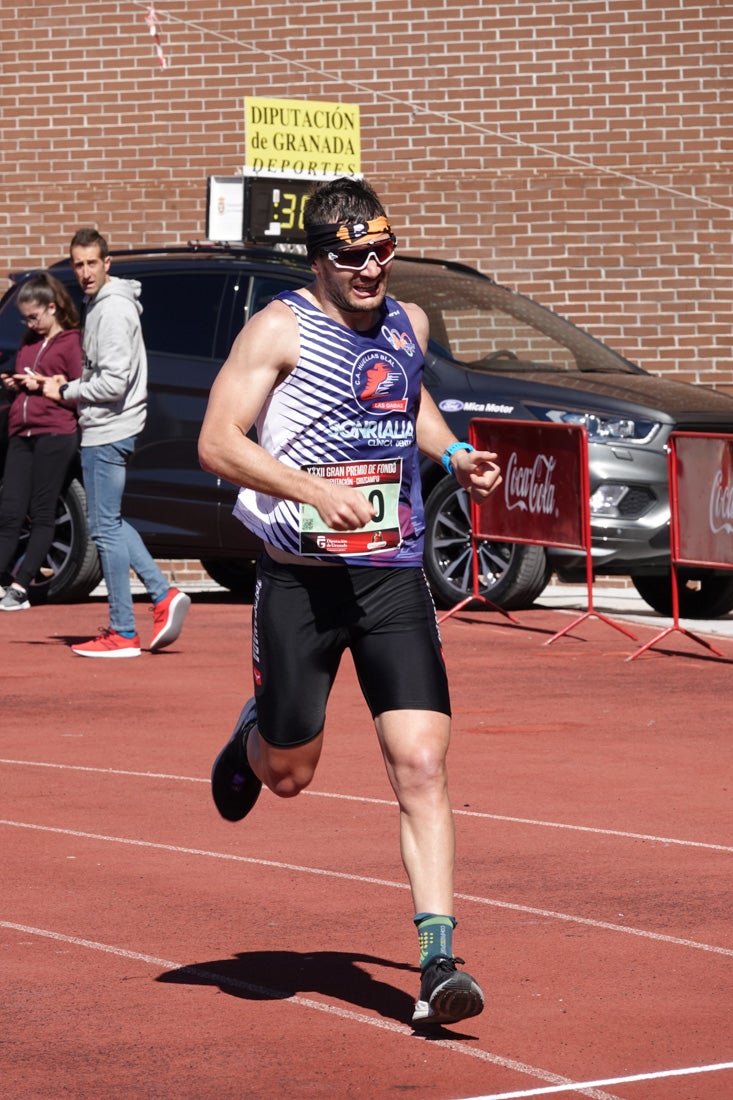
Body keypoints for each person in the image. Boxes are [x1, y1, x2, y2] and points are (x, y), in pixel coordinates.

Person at [198, 177, 502, 1027]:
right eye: (352, 257)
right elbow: (217, 441)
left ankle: (437, 959)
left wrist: (453, 457)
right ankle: (254, 734)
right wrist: (306, 488)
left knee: (422, 763)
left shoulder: (409, 323)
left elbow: (410, 406)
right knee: (291, 776)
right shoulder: (280, 330)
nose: (371, 269)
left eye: (382, 251)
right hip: (299, 577)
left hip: (391, 572)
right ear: (318, 260)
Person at [42, 228, 190, 657]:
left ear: (108, 264)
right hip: (111, 428)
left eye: (92, 263)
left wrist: (66, 391)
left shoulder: (111, 311)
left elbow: (113, 381)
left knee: (104, 529)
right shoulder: (104, 305)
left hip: (108, 430)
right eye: (78, 264)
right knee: (111, 522)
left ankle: (123, 630)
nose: (85, 272)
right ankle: (162, 595)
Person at [0, 274, 83, 610]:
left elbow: (78, 390)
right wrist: (15, 384)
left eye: (34, 316)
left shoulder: (71, 342)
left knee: (42, 510)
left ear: (52, 307)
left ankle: (21, 588)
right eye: (25, 318)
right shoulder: (29, 342)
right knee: (10, 511)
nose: (29, 323)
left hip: (55, 432)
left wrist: (47, 385)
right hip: (22, 432)